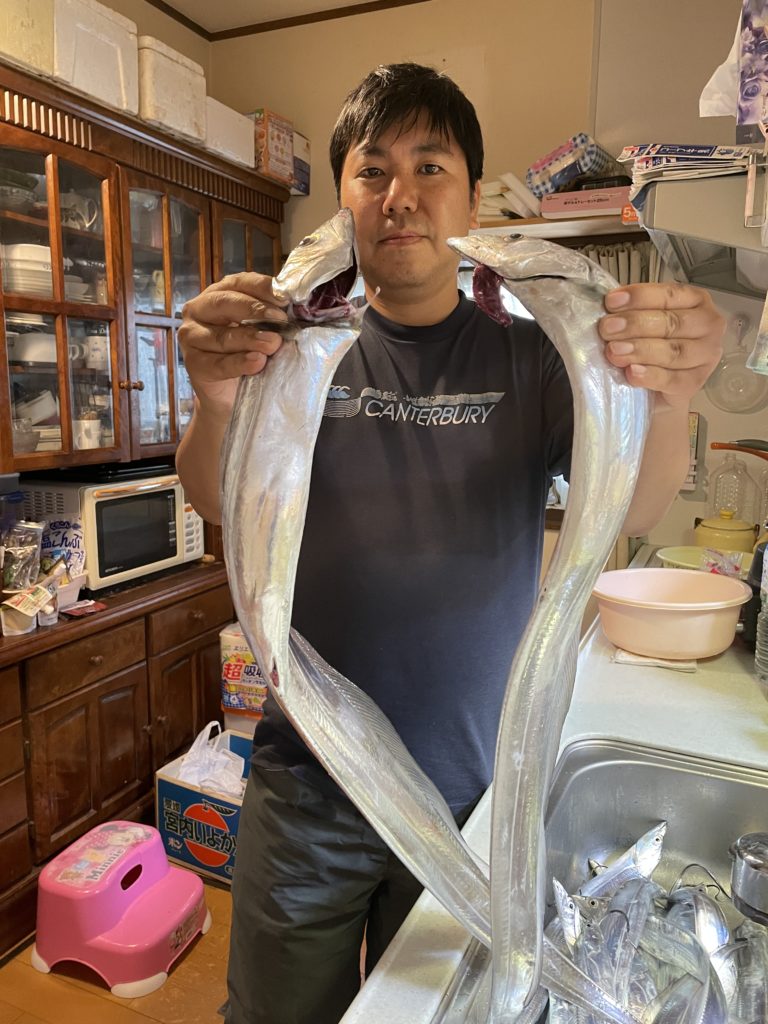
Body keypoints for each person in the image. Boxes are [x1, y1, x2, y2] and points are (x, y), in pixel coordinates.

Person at [177, 63, 724, 1024]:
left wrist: (671, 397)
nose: (401, 196)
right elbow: (217, 498)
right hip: (309, 789)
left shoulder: (536, 352)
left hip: (478, 794)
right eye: (371, 170)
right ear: (343, 201)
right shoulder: (294, 345)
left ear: (474, 201)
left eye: (431, 167)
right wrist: (219, 398)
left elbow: (633, 510)